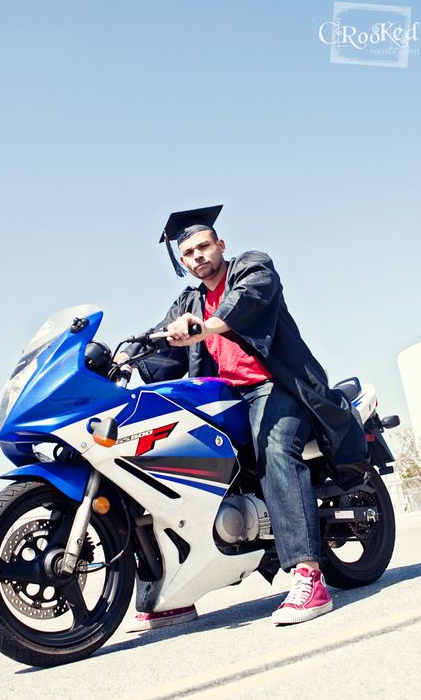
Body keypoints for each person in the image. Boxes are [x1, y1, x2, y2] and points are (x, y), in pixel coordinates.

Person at [116, 205, 367, 631]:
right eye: (188, 252)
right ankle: (178, 590)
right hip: (226, 398)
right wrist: (124, 355)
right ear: (182, 262)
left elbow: (247, 301)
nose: (197, 256)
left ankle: (309, 576)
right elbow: (165, 340)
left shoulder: (251, 267)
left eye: (203, 246)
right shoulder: (188, 299)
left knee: (273, 448)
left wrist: (207, 326)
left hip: (279, 386)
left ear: (220, 245)